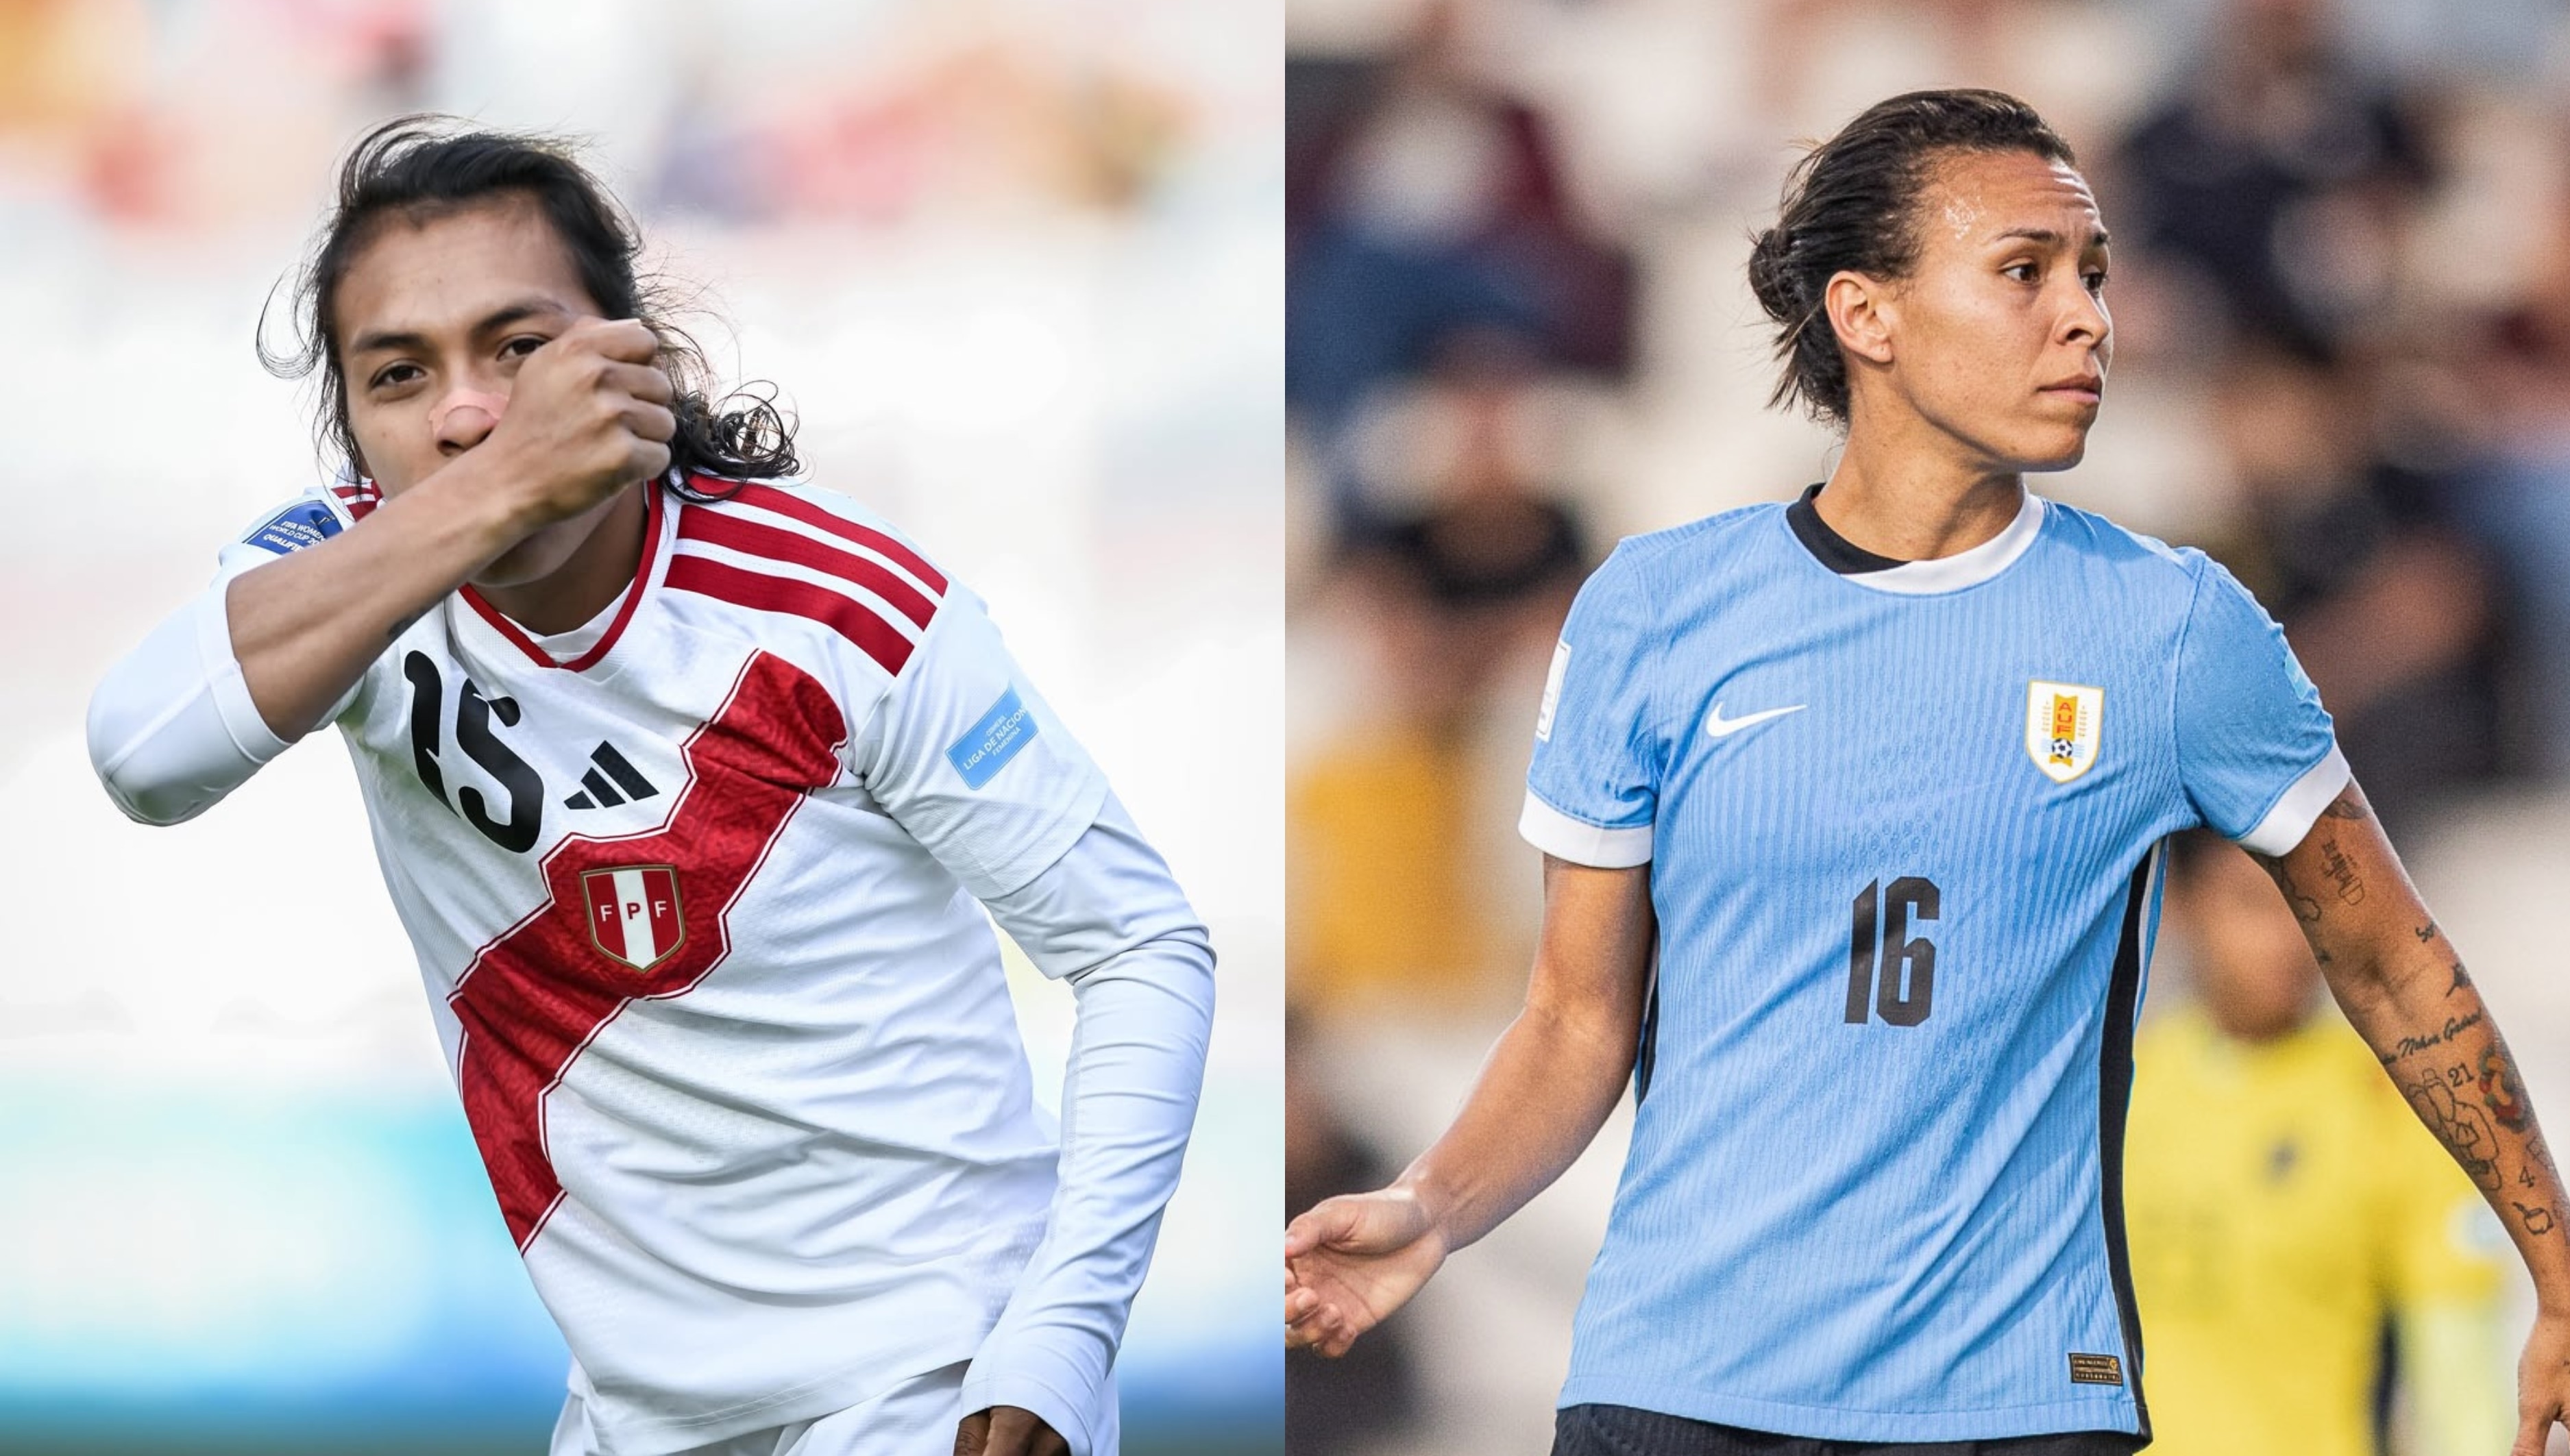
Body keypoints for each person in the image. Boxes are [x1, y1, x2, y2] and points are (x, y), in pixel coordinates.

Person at [1282, 88, 2570, 1455]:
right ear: (1867, 315)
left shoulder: (2177, 629)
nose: (2086, 318)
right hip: (1677, 1392)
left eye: (2094, 276)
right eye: (2024, 273)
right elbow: (1574, 1025)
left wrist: (2555, 1269)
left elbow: (2390, 956)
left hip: (2011, 1408)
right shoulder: (1653, 612)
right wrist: (1431, 1206)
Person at [84, 119, 1213, 1456]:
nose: (462, 410)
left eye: (518, 350)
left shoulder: (836, 607)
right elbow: (142, 756)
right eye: (400, 374)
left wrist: (1061, 1336)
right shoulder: (352, 583)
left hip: (930, 1378)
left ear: (635, 356)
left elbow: (1141, 943)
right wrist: (494, 492)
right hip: (632, 1414)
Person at [2129, 830, 2513, 1456]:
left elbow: (2463, 1387)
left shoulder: (2395, 1102)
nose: (2288, 939)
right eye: (2254, 903)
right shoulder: (2123, 1087)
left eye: (2306, 905)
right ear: (2184, 905)